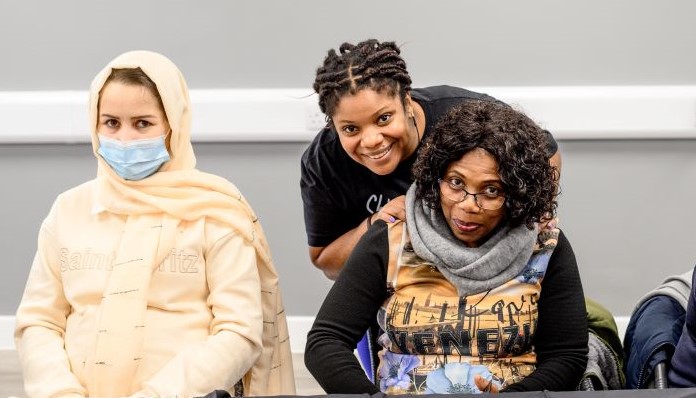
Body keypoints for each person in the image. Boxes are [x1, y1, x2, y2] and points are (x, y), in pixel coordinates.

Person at [14, 50, 295, 398]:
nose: (125, 138)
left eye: (143, 123)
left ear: (172, 126)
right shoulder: (69, 209)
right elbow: (39, 321)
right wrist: (59, 393)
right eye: (111, 123)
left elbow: (239, 331)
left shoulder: (215, 210)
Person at [305, 100, 587, 393]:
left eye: (491, 190)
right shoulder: (390, 239)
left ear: (517, 193)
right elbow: (325, 342)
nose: (468, 205)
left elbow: (567, 356)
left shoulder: (544, 247)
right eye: (455, 182)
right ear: (434, 177)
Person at [301, 39, 561, 280]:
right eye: (350, 129)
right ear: (332, 125)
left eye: (384, 118)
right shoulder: (323, 162)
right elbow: (327, 263)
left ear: (406, 101)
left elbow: (546, 150)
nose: (371, 141)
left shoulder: (461, 117)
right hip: (393, 286)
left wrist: (534, 215)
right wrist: (375, 225)